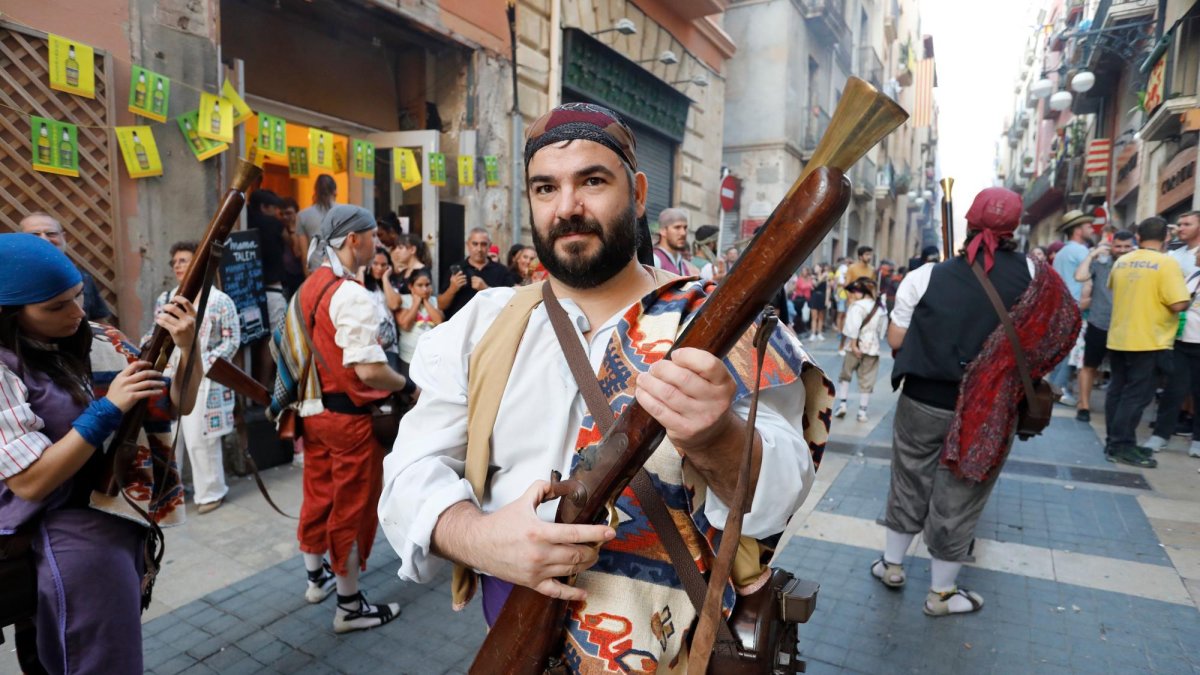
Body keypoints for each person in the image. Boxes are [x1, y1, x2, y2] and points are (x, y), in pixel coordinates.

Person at [378, 102, 830, 670]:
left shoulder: (721, 322)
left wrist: (718, 438)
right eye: (546, 188)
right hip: (513, 640)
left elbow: (779, 498)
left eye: (592, 181)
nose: (567, 207)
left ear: (637, 194)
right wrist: (481, 538)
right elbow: (409, 474)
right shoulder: (482, 325)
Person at [0, 233, 197, 674]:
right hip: (64, 533)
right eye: (55, 306)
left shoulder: (101, 338)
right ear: (9, 313)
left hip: (115, 519)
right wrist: (108, 409)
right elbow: (30, 481)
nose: (77, 312)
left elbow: (176, 402)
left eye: (77, 296)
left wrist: (188, 347)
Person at [876, 188, 1078, 616]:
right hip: (990, 410)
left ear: (968, 223)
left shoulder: (925, 276)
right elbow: (1062, 325)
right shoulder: (1036, 275)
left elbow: (896, 338)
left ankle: (892, 565)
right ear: (1014, 228)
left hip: (923, 399)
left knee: (909, 479)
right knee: (961, 494)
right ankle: (941, 594)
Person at [294, 205, 413, 633]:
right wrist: (405, 384)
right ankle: (348, 606)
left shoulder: (310, 285)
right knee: (351, 507)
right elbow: (368, 370)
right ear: (353, 240)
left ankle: (316, 579)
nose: (377, 243)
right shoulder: (350, 293)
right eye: (372, 236)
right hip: (349, 420)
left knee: (318, 494)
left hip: (314, 411)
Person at [155, 241, 241, 514]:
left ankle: (211, 491)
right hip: (171, 375)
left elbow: (231, 341)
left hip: (207, 379)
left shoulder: (220, 301)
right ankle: (172, 492)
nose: (178, 266)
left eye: (184, 260)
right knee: (169, 437)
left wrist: (203, 363)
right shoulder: (166, 299)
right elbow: (156, 334)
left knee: (200, 438)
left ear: (199, 264)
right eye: (175, 262)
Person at [1104, 217, 1191, 467]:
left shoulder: (1121, 261)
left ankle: (1114, 442)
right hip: (1150, 339)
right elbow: (1177, 303)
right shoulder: (1167, 263)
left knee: (1117, 391)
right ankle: (1122, 446)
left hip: (1119, 337)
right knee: (1136, 396)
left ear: (1138, 237)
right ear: (1166, 237)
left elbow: (1114, 288)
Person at [1072, 231, 1135, 422]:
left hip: (1126, 325)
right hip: (1099, 322)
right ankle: (1083, 406)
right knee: (1089, 366)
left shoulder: (1137, 264)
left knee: (1121, 371)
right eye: (1118, 246)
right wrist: (1092, 254)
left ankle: (1117, 409)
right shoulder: (1102, 264)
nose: (1122, 250)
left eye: (1126, 246)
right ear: (1111, 246)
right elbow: (1080, 276)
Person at [19, 212, 116, 326]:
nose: (44, 240)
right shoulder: (8, 278)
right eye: (34, 234)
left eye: (51, 234)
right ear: (19, 240)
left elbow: (97, 322)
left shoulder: (82, 277)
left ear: (63, 237)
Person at [834, 277, 888, 422]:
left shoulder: (857, 306)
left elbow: (852, 327)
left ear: (864, 292)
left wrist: (853, 346)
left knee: (845, 375)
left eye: (856, 291)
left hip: (855, 345)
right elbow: (882, 330)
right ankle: (862, 412)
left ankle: (842, 405)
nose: (854, 294)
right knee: (867, 379)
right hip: (872, 346)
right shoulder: (880, 307)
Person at [438, 228, 515, 319]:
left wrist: (486, 289)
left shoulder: (501, 271)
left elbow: (511, 302)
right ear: (468, 245)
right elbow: (441, 305)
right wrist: (452, 289)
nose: (479, 249)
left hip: (490, 323)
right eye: (475, 244)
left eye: (483, 244)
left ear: (489, 246)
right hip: (461, 323)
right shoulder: (457, 270)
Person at [362, 247, 404, 373]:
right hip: (369, 345)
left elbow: (394, 304)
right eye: (375, 264)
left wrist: (385, 278)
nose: (379, 268)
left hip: (389, 346)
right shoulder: (361, 284)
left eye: (383, 265)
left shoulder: (391, 284)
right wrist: (361, 271)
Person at [395, 269, 443, 376]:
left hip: (430, 358)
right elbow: (406, 325)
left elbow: (439, 321)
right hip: (408, 357)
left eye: (427, 285)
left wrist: (426, 302)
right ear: (411, 287)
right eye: (420, 285)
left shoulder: (434, 301)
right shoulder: (404, 300)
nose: (424, 289)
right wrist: (416, 304)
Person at [297, 174, 339, 258]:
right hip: (340, 264)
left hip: (316, 265)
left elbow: (304, 253)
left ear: (315, 191)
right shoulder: (347, 213)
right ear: (335, 191)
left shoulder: (302, 215)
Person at [651, 207, 699, 275]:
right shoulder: (654, 259)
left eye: (685, 228)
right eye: (677, 227)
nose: (683, 233)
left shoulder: (685, 265)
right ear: (663, 231)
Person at [279, 197, 307, 295]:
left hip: (300, 275)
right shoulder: (279, 228)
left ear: (296, 213)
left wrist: (292, 229)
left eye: (288, 213)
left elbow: (297, 253)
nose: (285, 217)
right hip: (285, 277)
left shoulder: (302, 229)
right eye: (282, 214)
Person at [809, 262, 828, 339]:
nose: (815, 268)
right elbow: (816, 284)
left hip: (822, 296)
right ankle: (813, 333)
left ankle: (819, 333)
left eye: (817, 267)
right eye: (815, 267)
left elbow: (828, 289)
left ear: (820, 268)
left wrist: (827, 300)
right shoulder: (813, 277)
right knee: (814, 317)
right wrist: (822, 277)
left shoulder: (826, 276)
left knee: (821, 317)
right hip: (815, 296)